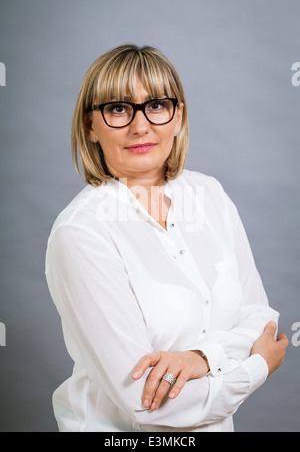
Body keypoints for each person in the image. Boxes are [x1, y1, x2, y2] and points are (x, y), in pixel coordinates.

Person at [45, 44, 288, 432]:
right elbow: (147, 404)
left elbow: (260, 320)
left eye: (156, 105)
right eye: (118, 109)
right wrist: (257, 367)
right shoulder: (82, 232)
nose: (141, 126)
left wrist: (201, 358)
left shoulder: (210, 195)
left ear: (178, 117)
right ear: (90, 125)